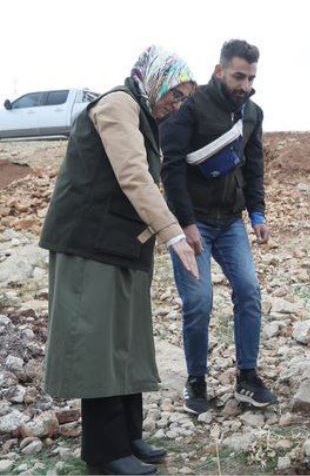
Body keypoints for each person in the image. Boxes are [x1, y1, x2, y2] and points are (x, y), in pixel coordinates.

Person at [40, 46, 199, 475]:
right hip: (89, 244)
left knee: (125, 344)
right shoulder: (117, 106)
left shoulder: (143, 115)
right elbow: (134, 175)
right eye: (176, 93)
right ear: (156, 80)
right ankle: (105, 453)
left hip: (120, 246)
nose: (177, 104)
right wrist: (173, 235)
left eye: (184, 98)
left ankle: (129, 438)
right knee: (99, 346)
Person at [160, 39, 276, 415]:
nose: (245, 84)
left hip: (230, 223)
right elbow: (172, 167)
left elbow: (253, 165)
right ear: (219, 71)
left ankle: (247, 377)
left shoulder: (253, 113)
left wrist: (257, 213)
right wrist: (186, 223)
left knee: (249, 292)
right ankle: (196, 383)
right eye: (238, 76)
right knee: (198, 302)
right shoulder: (189, 109)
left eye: (251, 78)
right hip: (192, 225)